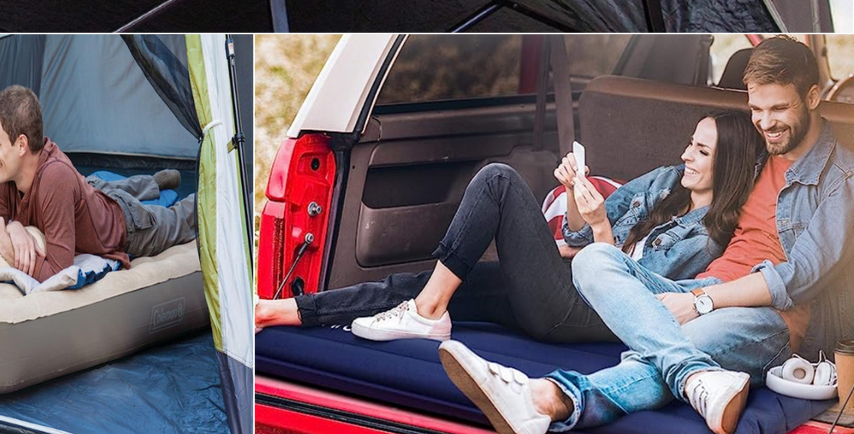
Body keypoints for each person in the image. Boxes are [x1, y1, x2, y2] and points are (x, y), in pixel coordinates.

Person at [440, 36, 854, 434]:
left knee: (670, 348)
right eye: (756, 109)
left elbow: (799, 277)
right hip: (695, 288)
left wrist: (701, 301)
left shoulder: (842, 179)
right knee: (593, 260)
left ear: (814, 97)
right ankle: (696, 378)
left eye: (778, 109)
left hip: (771, 320)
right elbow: (686, 188)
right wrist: (591, 215)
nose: (765, 122)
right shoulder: (756, 151)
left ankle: (545, 399)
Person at [255, 111, 762, 345]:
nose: (684, 155)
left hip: (584, 316)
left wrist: (603, 228)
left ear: (730, 164)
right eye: (690, 142)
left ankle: (427, 313)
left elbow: (630, 301)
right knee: (423, 284)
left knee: (498, 180)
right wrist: (581, 202)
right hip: (566, 283)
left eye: (701, 150)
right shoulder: (666, 183)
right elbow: (579, 242)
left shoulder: (707, 237)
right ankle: (279, 311)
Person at [0, 85, 196, 280]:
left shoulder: (55, 179)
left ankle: (214, 189)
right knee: (100, 187)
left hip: (123, 222)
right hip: (88, 190)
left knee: (179, 220)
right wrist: (14, 227)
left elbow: (59, 274)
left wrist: (8, 248)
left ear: (22, 145)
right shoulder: (4, 173)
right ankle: (154, 183)